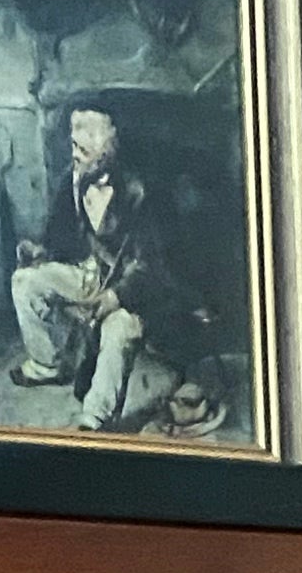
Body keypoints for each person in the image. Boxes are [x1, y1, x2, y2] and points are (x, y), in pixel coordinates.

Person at [11, 108, 181, 431]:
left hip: (138, 290)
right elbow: (59, 232)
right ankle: (47, 364)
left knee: (118, 329)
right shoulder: (74, 177)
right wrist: (41, 250)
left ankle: (96, 419)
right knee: (25, 281)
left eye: (86, 141)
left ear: (112, 143)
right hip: (93, 271)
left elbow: (153, 267)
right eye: (75, 139)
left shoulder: (144, 192)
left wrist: (115, 297)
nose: (76, 149)